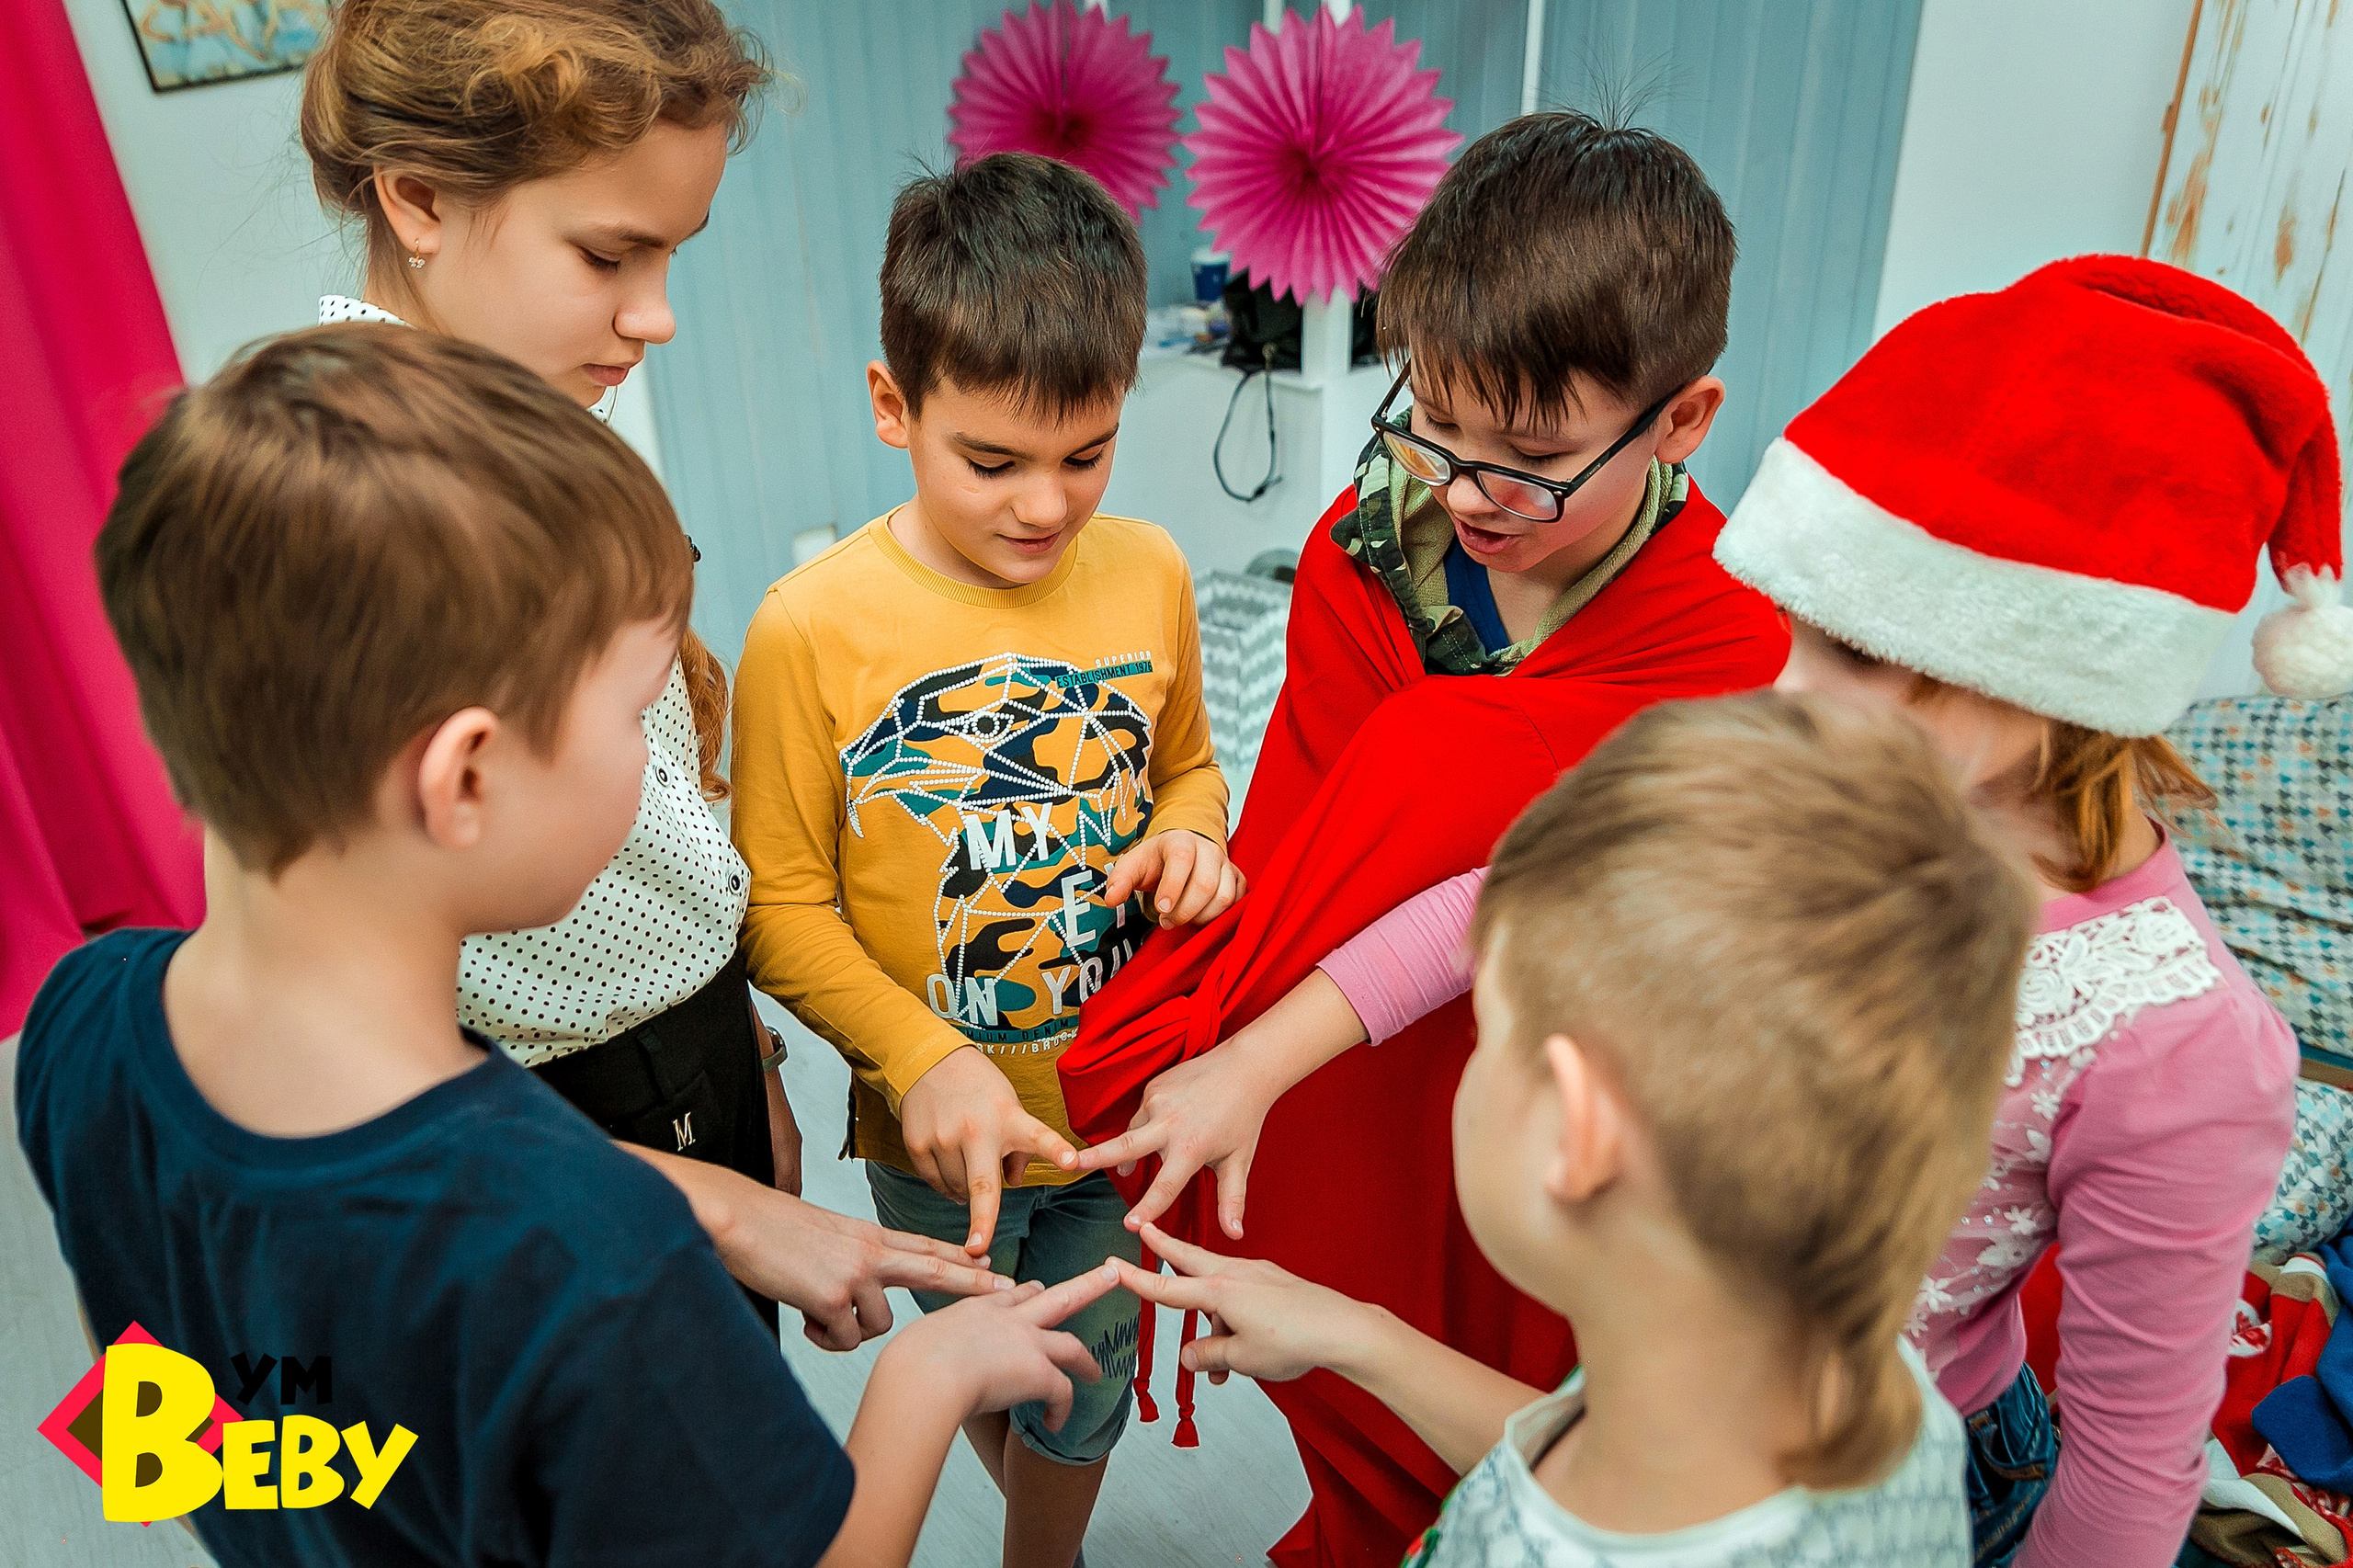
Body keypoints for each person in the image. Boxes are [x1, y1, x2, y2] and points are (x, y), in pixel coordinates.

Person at [1115, 256, 2339, 1567]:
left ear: (2048, 676)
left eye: (1855, 655)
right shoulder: (1814, 771)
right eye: (1800, 628)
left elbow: (2122, 1489)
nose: (1786, 683)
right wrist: (1254, 1058)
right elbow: (1514, 896)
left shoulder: (2180, 1045)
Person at [16, 324, 1122, 1568]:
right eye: (635, 706)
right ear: (467, 776)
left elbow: (149, 1411)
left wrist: (713, 1203)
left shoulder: (78, 1023)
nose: (660, 759)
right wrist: (928, 1376)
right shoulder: (598, 1266)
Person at [1054, 110, 1790, 1564]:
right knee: (1352, 1384)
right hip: (1362, 1070)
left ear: (1681, 421)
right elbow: (1311, 842)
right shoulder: (1364, 552)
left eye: (1529, 457)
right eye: (1432, 421)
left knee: (1559, 1433)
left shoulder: (1743, 641)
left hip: (1573, 1093)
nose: (1461, 489)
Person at [296, 0, 1000, 1348]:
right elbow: (343, 1049)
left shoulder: (556, 406)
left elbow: (665, 812)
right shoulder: (341, 505)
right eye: (612, 253)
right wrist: (718, 1203)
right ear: (421, 197)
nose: (658, 316)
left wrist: (749, 1062)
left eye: (674, 253)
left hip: (691, 1038)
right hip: (521, 1114)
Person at [1116, 693, 2037, 1567]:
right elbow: (1604, 1453)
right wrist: (1359, 1335)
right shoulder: (1881, 1395)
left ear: (1577, 1128)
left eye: (1488, 1037)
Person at [729, 152, 1236, 1568]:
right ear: (895, 406)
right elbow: (777, 905)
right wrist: (916, 1051)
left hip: (1113, 1105)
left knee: (1084, 1392)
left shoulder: (1152, 573)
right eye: (993, 461)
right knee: (982, 1360)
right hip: (931, 1135)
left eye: (1088, 454)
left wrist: (1193, 832)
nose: (1045, 507)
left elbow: (1186, 763)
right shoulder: (807, 628)